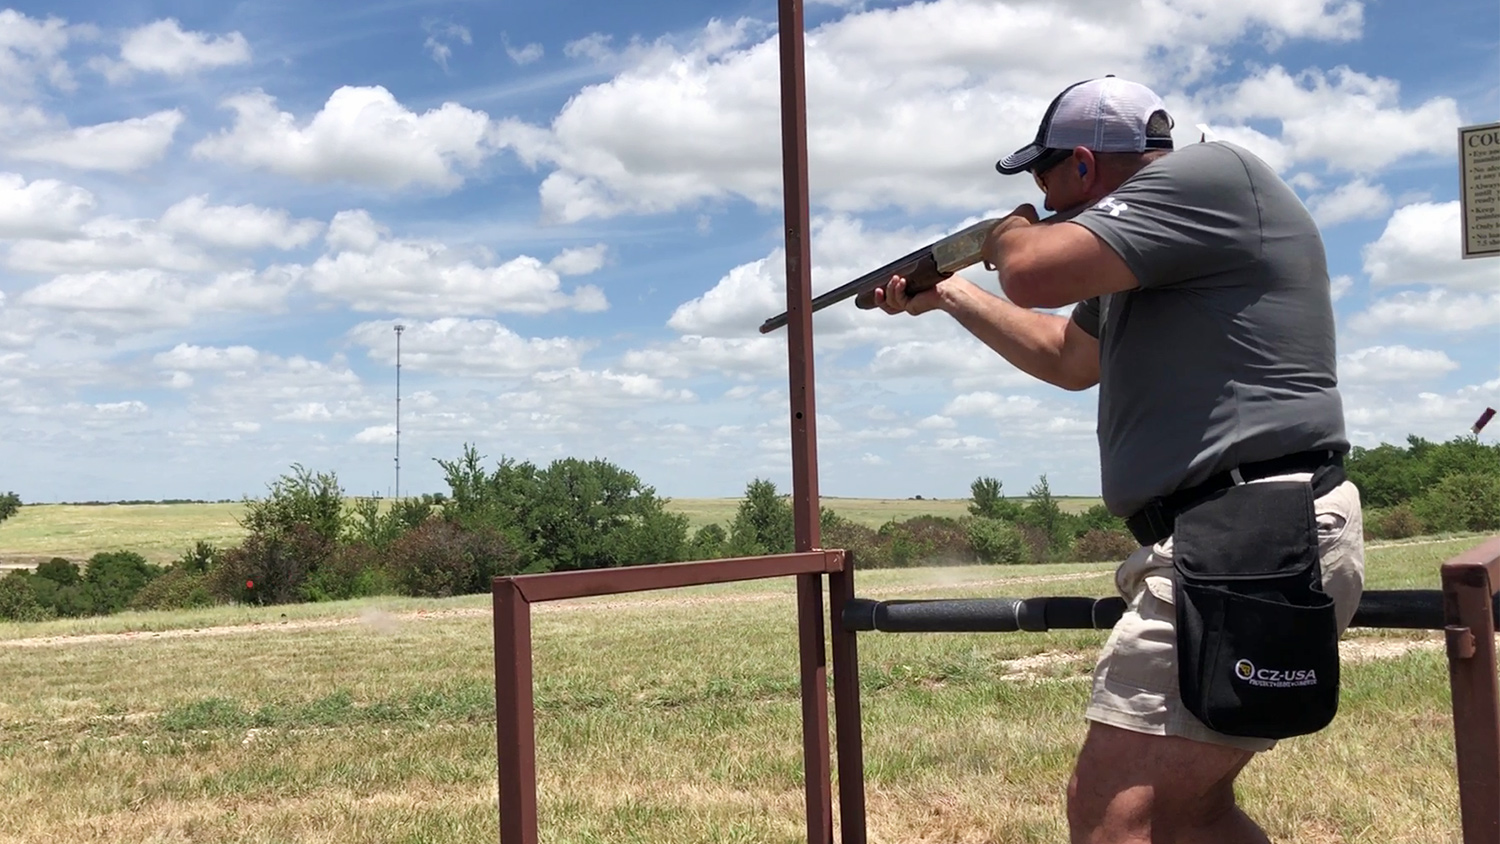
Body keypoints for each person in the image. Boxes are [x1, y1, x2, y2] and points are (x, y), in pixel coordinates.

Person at [873, 76, 1364, 844]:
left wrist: (997, 233)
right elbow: (1070, 358)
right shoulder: (1149, 248)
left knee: (1113, 812)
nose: (1039, 192)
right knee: (1189, 814)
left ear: (1080, 166)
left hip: (1250, 532)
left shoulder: (1208, 176)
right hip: (1230, 535)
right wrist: (950, 295)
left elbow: (1031, 271)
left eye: (1041, 175)